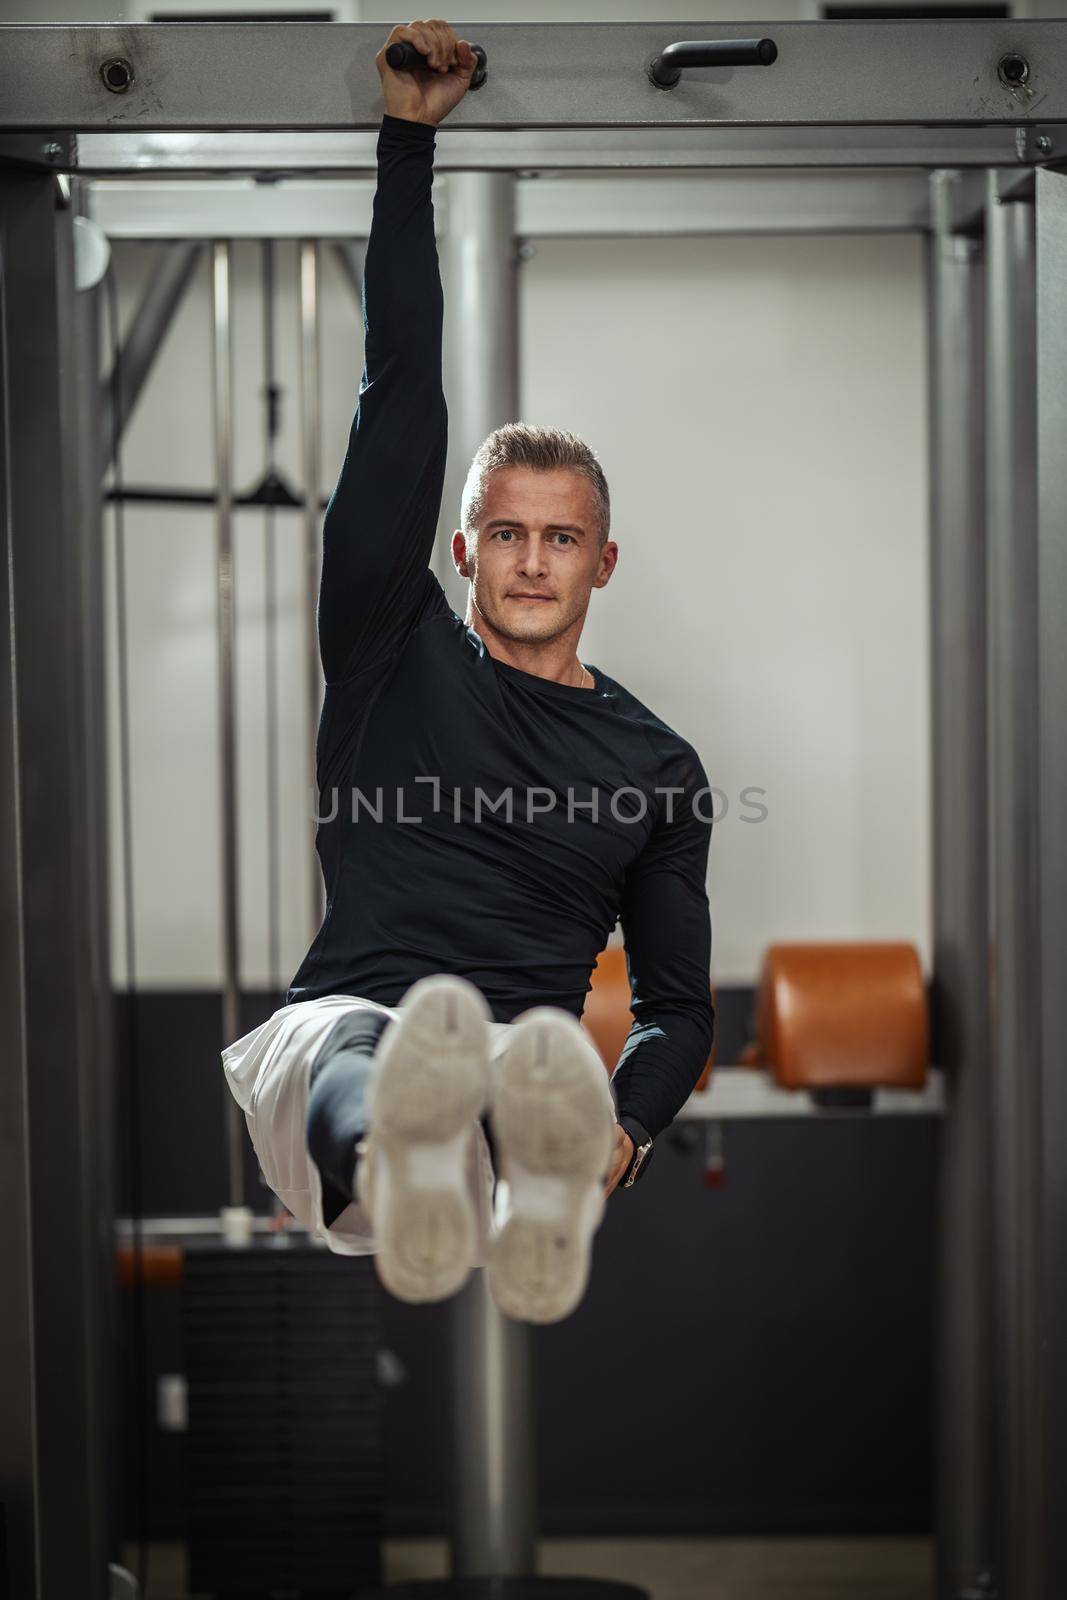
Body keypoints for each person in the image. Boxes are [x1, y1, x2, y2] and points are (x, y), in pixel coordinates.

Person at [222, 18, 715, 1325]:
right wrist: (405, 144)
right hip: (359, 1041)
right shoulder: (391, 644)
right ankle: (401, 1158)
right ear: (463, 546)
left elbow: (674, 1006)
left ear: (603, 562)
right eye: (508, 531)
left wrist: (623, 1126)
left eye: (562, 537)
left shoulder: (656, 767)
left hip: (525, 1083)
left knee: (514, 1064)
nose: (534, 559)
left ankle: (518, 1181)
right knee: (361, 1046)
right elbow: (402, 393)